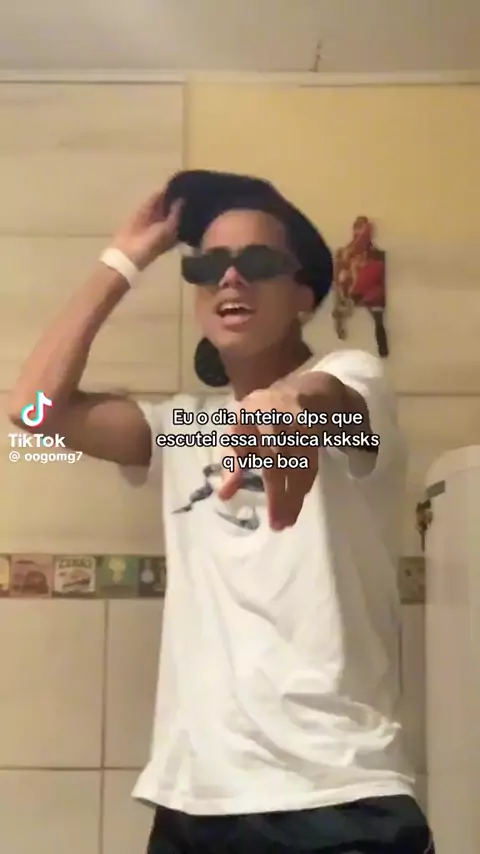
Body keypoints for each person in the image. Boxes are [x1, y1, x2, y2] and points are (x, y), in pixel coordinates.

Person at [9, 171, 434, 853]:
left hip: (338, 798)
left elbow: (331, 403)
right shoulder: (183, 429)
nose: (230, 278)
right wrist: (124, 259)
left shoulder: (357, 385)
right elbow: (32, 411)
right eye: (208, 266)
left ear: (303, 296)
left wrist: (290, 404)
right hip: (194, 803)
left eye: (257, 262)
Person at [333, 216, 389, 357]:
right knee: (374, 317)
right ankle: (383, 349)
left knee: (378, 318)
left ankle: (383, 349)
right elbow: (340, 277)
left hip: (369, 291)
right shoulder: (347, 253)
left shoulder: (374, 255)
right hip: (356, 290)